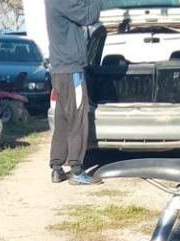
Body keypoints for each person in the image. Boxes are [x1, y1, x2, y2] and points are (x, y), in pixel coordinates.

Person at [45, 0, 103, 185]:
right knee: (78, 119)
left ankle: (57, 168)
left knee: (63, 119)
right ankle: (76, 171)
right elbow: (89, 16)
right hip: (71, 71)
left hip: (60, 70)